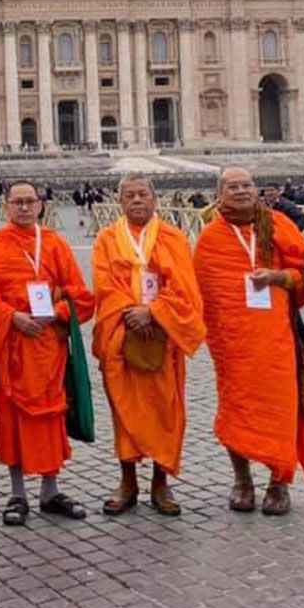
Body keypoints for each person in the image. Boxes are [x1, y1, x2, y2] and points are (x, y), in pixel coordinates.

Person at [193, 166, 304, 516]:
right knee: (236, 413)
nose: (241, 191)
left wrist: (279, 277)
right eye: (232, 186)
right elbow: (201, 295)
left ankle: (278, 483)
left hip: (277, 341)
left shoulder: (279, 226)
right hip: (232, 346)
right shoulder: (210, 239)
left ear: (257, 189)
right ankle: (243, 480)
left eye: (246, 185)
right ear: (219, 195)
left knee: (281, 412)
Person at [0, 181, 95, 526]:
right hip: (10, 344)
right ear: (5, 207)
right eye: (17, 202)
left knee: (52, 416)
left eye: (30, 202)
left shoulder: (54, 243)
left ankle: (50, 490)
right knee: (12, 420)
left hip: (47, 346)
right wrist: (12, 317)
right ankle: (17, 492)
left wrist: (57, 312)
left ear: (40, 205)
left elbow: (79, 294)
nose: (24, 208)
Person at [91, 174, 204, 517]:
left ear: (155, 199)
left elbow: (184, 287)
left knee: (165, 410)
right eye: (129, 196)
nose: (137, 200)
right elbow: (104, 284)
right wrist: (131, 312)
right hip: (123, 333)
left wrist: (153, 312)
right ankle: (128, 480)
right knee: (124, 411)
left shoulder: (174, 238)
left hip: (162, 336)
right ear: (120, 201)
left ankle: (160, 480)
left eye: (143, 194)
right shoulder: (107, 238)